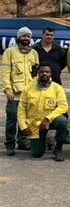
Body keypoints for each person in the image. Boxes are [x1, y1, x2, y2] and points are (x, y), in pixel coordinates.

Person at [17, 63, 68, 162]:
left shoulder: (57, 88)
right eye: (42, 72)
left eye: (47, 72)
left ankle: (58, 148)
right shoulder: (28, 88)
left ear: (51, 74)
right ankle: (45, 139)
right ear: (38, 73)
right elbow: (21, 108)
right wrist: (23, 126)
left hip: (51, 121)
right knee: (37, 154)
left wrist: (47, 118)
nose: (44, 74)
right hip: (35, 124)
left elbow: (63, 106)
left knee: (62, 121)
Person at [0, 26, 39, 155]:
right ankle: (10, 145)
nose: (26, 38)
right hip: (14, 95)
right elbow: (4, 73)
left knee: (25, 120)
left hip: (28, 94)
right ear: (18, 37)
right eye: (23, 36)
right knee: (12, 120)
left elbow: (35, 75)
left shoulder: (34, 54)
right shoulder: (9, 52)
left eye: (28, 36)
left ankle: (22, 142)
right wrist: (7, 90)